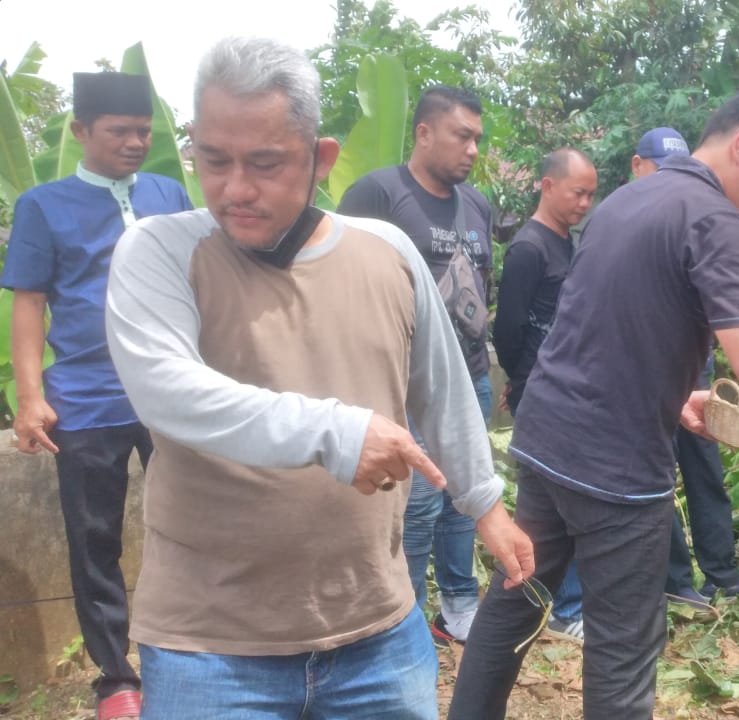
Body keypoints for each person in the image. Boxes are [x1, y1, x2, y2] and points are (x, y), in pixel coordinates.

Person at [102, 37, 532, 718]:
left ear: (320, 158)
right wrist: (337, 430)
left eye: (266, 164)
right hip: (210, 648)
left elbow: (444, 390)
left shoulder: (385, 254)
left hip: (378, 635)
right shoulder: (158, 253)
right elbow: (167, 390)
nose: (235, 188)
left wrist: (487, 506)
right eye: (214, 161)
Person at [448, 88, 739, 719]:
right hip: (617, 465)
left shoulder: (628, 199)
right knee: (625, 648)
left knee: (516, 599)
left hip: (548, 437)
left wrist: (676, 388)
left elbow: (602, 324)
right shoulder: (717, 221)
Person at [1, 70, 192, 720]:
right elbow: (29, 304)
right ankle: (115, 676)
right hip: (85, 400)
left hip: (169, 396)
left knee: (198, 522)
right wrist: (31, 399)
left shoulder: (169, 192)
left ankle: (196, 648)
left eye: (144, 129)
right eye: (120, 131)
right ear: (81, 131)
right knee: (94, 539)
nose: (137, 141)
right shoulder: (42, 205)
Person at [337, 85, 495, 644]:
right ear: (424, 133)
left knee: (464, 498)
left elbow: (482, 281)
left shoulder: (476, 204)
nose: (473, 149)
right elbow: (340, 283)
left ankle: (458, 606)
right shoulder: (378, 194)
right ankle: (403, 613)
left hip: (471, 375)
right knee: (420, 502)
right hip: (407, 385)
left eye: (477, 137)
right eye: (462, 136)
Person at [631, 128, 739, 607]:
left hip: (696, 371)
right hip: (648, 378)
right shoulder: (630, 222)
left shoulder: (701, 217)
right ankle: (677, 582)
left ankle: (722, 573)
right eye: (659, 167)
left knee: (705, 469)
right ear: (638, 167)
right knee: (659, 479)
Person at [492, 147, 597, 643]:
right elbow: (508, 327)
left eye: (590, 195)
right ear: (547, 185)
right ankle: (561, 606)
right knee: (558, 499)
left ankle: (559, 598)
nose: (584, 203)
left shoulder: (565, 243)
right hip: (539, 390)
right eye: (578, 193)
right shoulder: (529, 248)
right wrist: (519, 378)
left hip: (563, 389)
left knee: (566, 500)